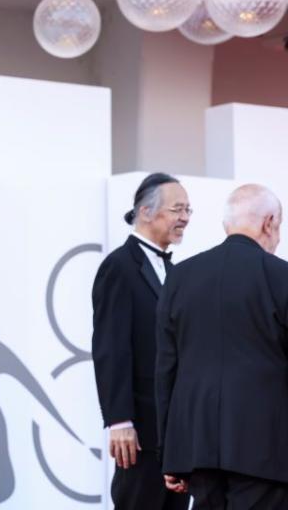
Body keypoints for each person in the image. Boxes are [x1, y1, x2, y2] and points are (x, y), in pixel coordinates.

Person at [156, 184, 288, 508]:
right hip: (267, 450)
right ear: (269, 222)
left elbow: (166, 369)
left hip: (197, 448)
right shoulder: (281, 276)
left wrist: (169, 453)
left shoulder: (180, 277)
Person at [91, 173, 191, 510]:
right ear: (146, 212)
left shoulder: (177, 273)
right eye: (178, 209)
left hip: (176, 434)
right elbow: (111, 347)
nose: (185, 218)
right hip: (139, 432)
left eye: (189, 210)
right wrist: (119, 419)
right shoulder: (118, 267)